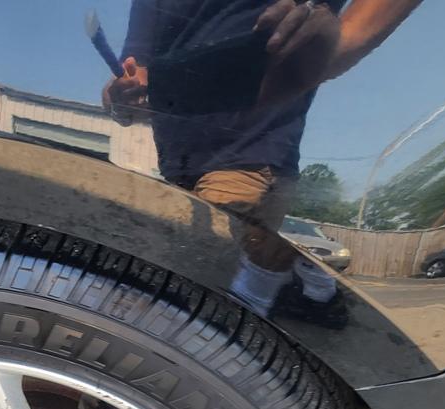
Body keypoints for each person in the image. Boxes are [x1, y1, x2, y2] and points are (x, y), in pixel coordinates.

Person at [104, 0, 422, 315]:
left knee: (193, 295)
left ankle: (279, 279)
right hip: (177, 165)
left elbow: (330, 37)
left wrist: (345, 38)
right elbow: (129, 81)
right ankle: (294, 273)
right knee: (205, 278)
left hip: (249, 154)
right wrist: (121, 96)